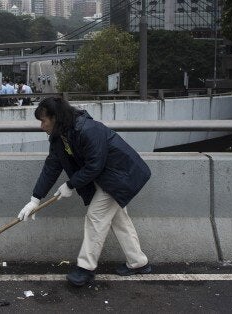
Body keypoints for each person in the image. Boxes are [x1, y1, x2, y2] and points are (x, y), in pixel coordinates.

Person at [17, 97, 152, 287]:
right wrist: (35, 199)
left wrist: (70, 185)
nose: (41, 125)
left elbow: (95, 165)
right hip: (108, 177)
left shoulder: (88, 129)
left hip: (122, 176)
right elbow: (51, 167)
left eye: (43, 120)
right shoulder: (59, 136)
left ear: (55, 118)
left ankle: (86, 269)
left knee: (95, 217)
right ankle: (139, 262)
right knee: (119, 220)